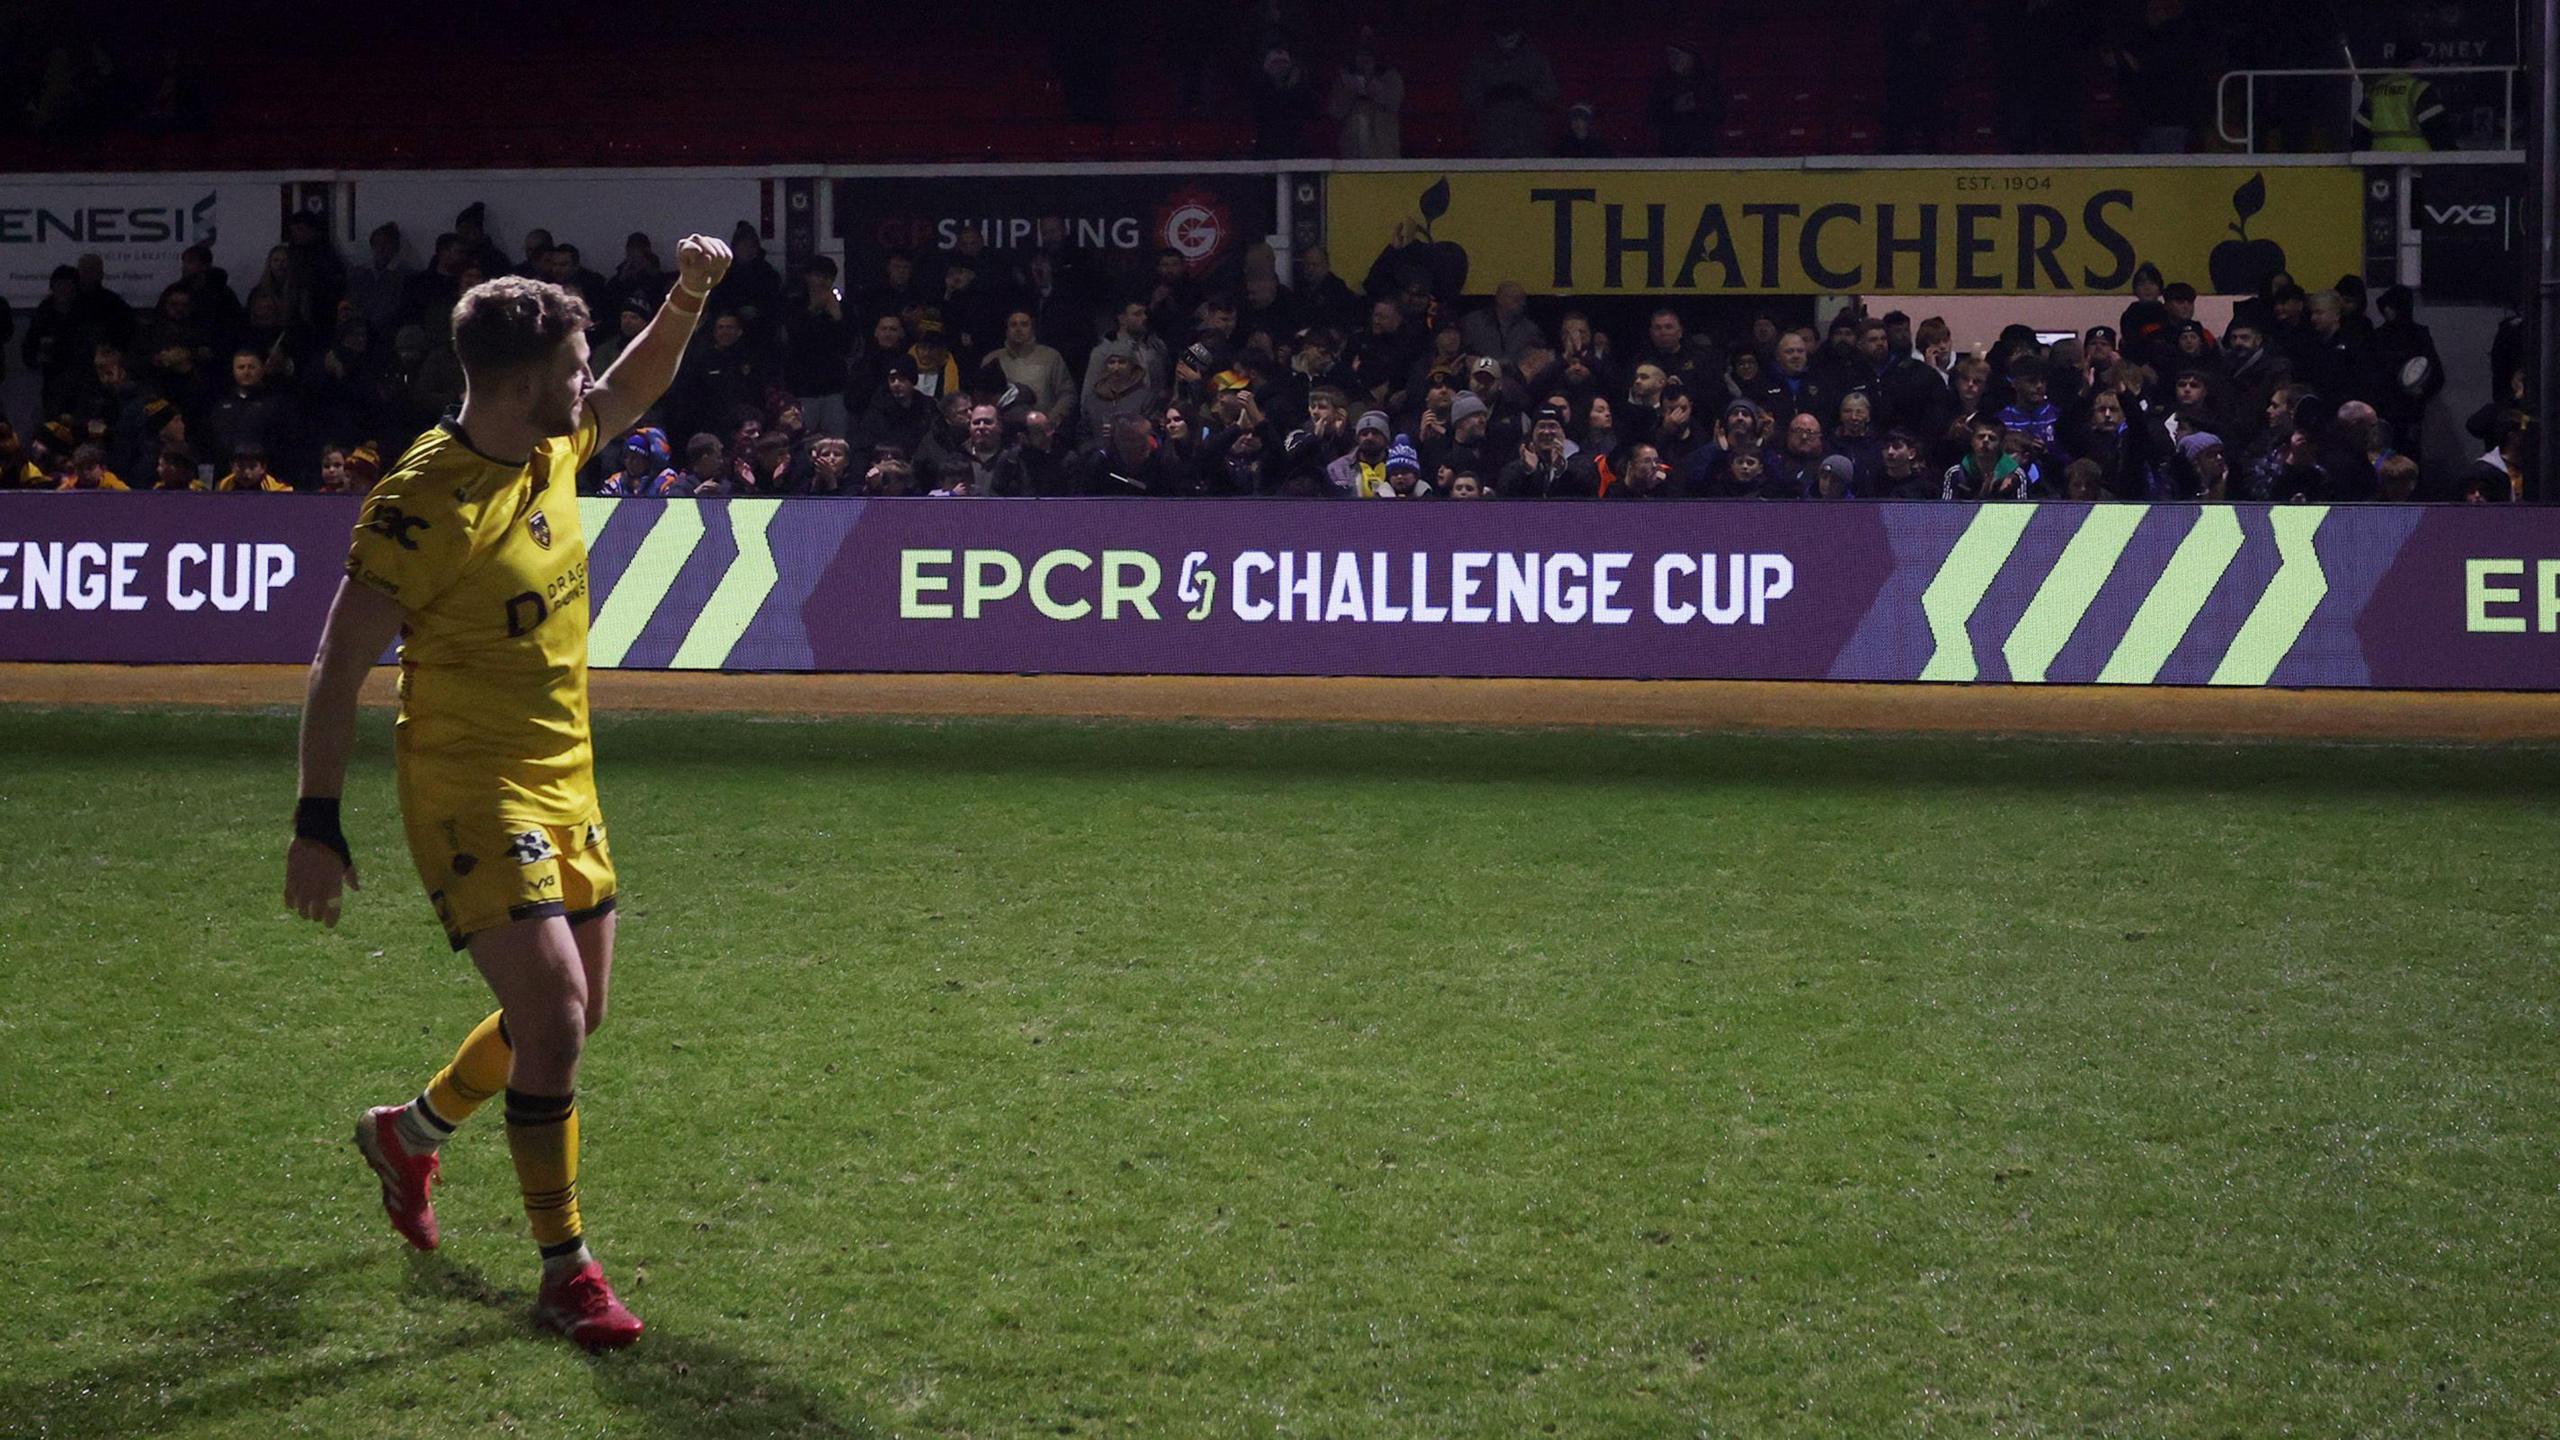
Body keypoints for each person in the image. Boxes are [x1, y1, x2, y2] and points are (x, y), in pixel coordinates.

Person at [285, 233, 735, 1353]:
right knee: (556, 1016)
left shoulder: (547, 443)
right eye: (573, 371)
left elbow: (634, 385)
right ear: (523, 380)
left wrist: (688, 295)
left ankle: (410, 1133)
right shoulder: (420, 504)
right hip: (467, 780)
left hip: (564, 768)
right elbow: (337, 667)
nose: (589, 388)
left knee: (577, 1014)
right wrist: (316, 820)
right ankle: (565, 1268)